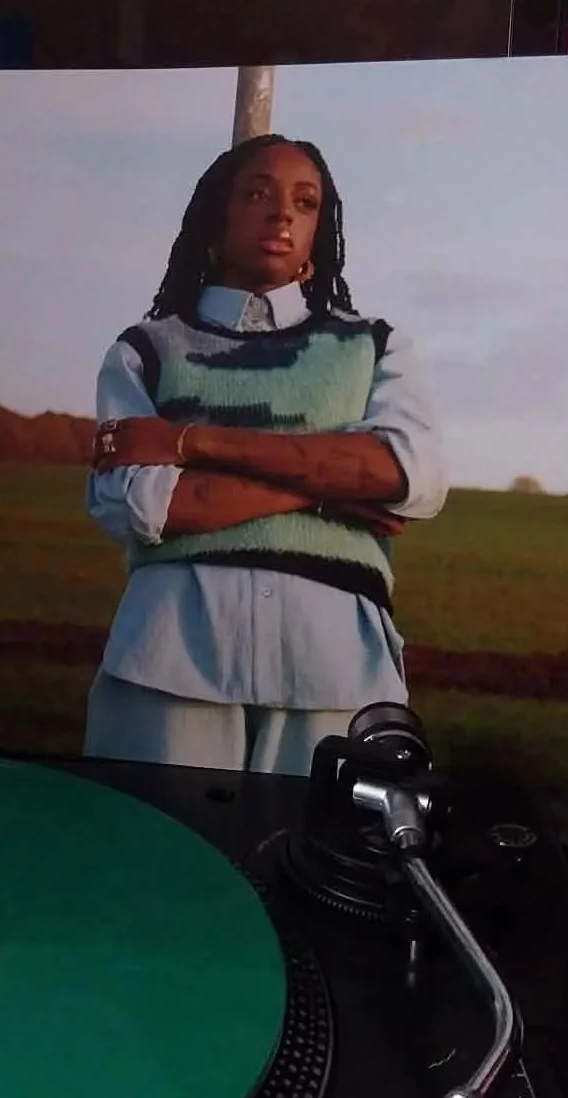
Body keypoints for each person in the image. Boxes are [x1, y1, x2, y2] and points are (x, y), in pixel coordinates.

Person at [85, 133, 447, 776]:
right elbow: (140, 506)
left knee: (319, 865)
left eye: (305, 203)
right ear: (215, 218)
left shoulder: (375, 345)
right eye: (258, 194)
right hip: (169, 653)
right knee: (163, 855)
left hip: (337, 661)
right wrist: (332, 481)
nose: (282, 214)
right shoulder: (143, 349)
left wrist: (191, 442)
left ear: (319, 231)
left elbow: (408, 474)